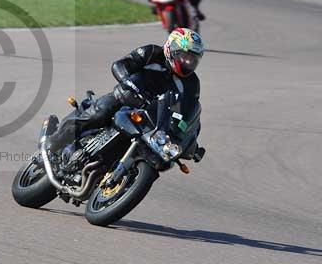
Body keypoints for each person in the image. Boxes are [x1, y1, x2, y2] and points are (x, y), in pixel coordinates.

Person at [46, 28, 205, 164]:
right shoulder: (151, 53)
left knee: (158, 155)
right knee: (100, 112)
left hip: (151, 120)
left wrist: (190, 140)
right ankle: (54, 142)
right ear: (172, 49)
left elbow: (188, 111)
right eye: (185, 56)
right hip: (126, 97)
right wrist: (128, 82)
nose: (188, 63)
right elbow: (121, 65)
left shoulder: (192, 84)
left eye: (193, 59)